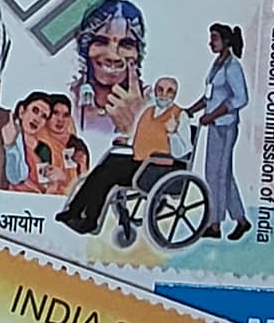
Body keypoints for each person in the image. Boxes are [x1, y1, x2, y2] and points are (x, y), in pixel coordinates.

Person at [58, 72, 186, 236]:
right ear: (155, 91)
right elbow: (144, 137)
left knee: (107, 176)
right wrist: (128, 141)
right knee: (102, 167)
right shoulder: (149, 112)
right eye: (160, 90)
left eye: (169, 91)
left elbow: (183, 152)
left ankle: (91, 220)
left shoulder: (180, 115)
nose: (164, 94)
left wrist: (173, 133)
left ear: (175, 94)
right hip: (141, 162)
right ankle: (74, 211)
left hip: (159, 168)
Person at [193, 23, 251, 238]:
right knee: (214, 173)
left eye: (215, 38)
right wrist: (190, 110)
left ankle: (220, 223)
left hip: (226, 126)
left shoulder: (232, 67)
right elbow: (209, 96)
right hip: (214, 127)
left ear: (226, 41)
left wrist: (213, 115)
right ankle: (233, 221)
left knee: (221, 175)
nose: (211, 42)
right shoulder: (217, 65)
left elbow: (240, 98)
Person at [71, 0, 147, 139]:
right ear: (85, 48)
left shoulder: (154, 104)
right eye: (101, 42)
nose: (113, 55)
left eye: (126, 45)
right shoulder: (67, 101)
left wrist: (138, 123)